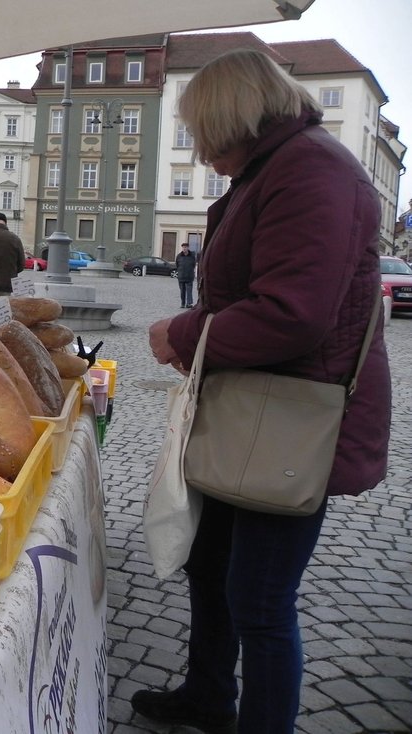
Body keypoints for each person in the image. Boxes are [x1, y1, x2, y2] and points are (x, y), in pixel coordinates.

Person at [140, 49, 390, 734]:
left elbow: (292, 314)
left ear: (234, 117)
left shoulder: (310, 171)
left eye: (200, 131)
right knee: (212, 568)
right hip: (253, 409)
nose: (196, 147)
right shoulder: (276, 168)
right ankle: (209, 696)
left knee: (260, 601)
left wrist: (185, 334)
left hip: (291, 422)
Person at [175, 242, 197, 308]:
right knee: (182, 291)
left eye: (186, 247)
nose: (184, 248)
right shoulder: (179, 256)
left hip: (189, 276)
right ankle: (183, 303)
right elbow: (177, 265)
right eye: (183, 247)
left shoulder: (192, 256)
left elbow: (194, 264)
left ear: (188, 248)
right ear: (182, 248)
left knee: (189, 291)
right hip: (181, 276)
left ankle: (189, 303)